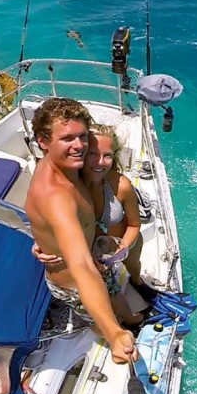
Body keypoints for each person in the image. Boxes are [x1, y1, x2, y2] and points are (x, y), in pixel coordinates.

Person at [24, 98, 138, 365]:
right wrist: (114, 333)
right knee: (100, 323)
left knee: (115, 295)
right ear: (43, 141)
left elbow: (38, 216)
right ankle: (107, 333)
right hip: (76, 285)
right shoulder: (57, 197)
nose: (79, 147)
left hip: (94, 263)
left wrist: (40, 239)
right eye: (67, 139)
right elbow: (82, 267)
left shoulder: (62, 166)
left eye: (82, 137)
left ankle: (129, 319)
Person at [34, 124, 159, 314]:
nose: (100, 162)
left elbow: (134, 224)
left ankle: (137, 282)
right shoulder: (68, 188)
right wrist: (39, 244)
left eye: (107, 155)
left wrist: (122, 248)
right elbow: (48, 222)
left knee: (134, 268)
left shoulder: (121, 185)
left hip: (126, 244)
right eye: (92, 154)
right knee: (104, 291)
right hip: (92, 253)